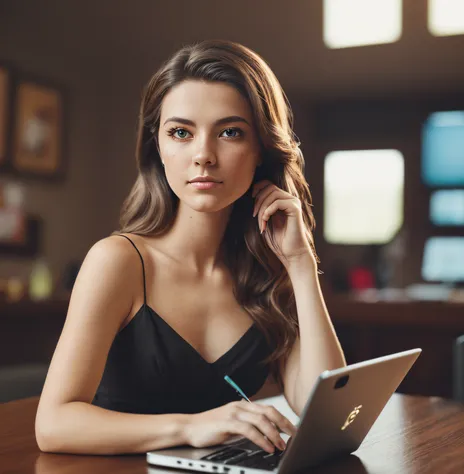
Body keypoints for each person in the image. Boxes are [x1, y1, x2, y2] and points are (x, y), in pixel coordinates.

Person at [35, 39, 346, 456]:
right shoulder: (119, 262)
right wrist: (192, 426)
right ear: (158, 147)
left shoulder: (266, 271)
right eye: (181, 132)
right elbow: (53, 425)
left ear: (261, 150)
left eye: (230, 132)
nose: (203, 155)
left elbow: (324, 415)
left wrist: (301, 264)